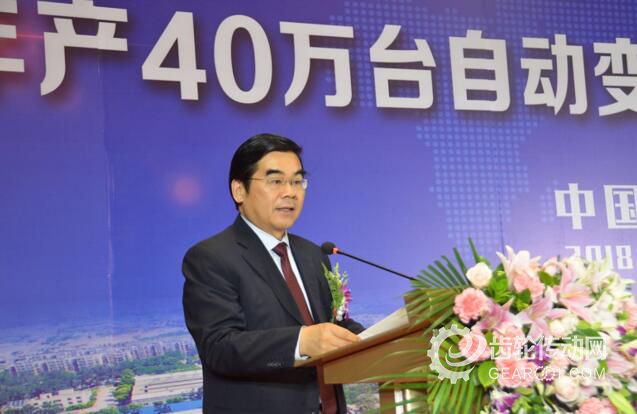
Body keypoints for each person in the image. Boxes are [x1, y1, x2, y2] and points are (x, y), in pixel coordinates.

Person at [182, 133, 363, 414]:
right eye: (276, 181)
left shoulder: (313, 254)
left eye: (297, 181)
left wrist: (383, 339)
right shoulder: (210, 258)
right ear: (239, 190)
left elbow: (331, 327)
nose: (290, 192)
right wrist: (301, 342)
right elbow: (219, 347)